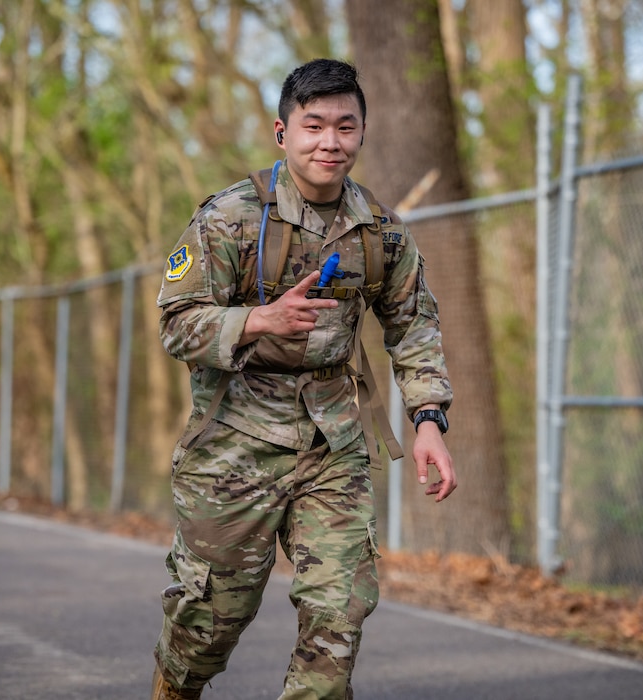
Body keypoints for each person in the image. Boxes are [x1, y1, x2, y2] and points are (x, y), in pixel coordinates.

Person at [152, 58, 456, 700]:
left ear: (363, 133)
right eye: (313, 125)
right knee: (207, 626)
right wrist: (260, 320)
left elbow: (413, 327)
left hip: (333, 448)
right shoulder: (229, 219)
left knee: (338, 615)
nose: (330, 141)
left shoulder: (380, 231)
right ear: (281, 132)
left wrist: (428, 419)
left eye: (345, 127)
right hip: (233, 448)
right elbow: (176, 327)